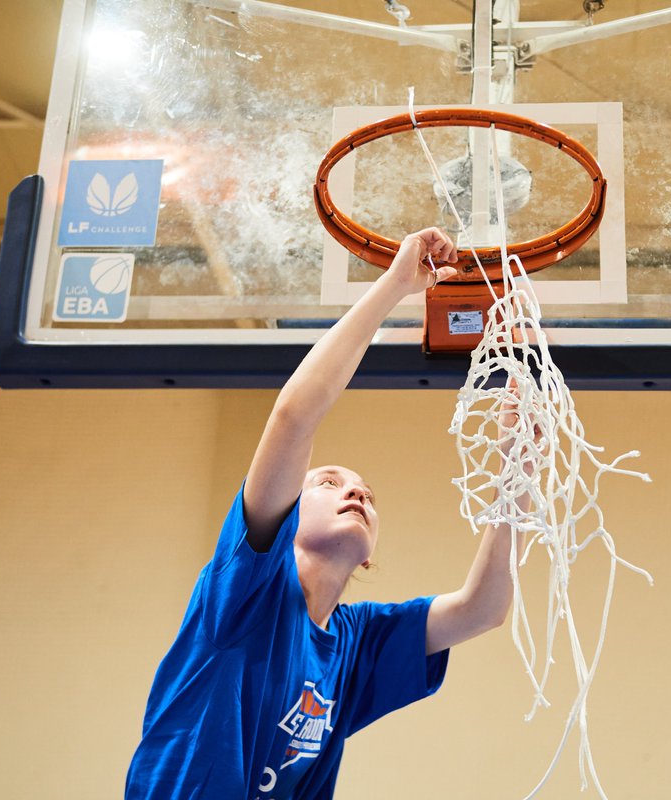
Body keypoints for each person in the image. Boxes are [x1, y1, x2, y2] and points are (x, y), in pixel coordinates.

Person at [125, 228, 526, 800]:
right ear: (287, 521)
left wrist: (516, 467)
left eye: (367, 493)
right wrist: (395, 287)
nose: (357, 493)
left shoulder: (355, 640)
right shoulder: (249, 588)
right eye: (330, 482)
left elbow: (483, 609)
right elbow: (293, 418)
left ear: (367, 561)